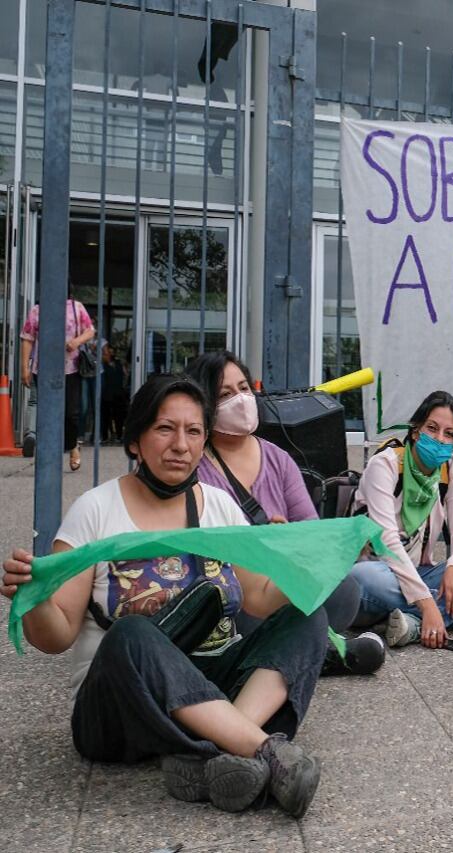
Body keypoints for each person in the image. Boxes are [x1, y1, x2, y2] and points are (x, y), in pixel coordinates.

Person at [0, 374, 327, 816]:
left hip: (210, 686)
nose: (181, 445)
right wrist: (36, 597)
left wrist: (295, 565)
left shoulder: (219, 507)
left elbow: (259, 600)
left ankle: (221, 753)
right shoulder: (95, 510)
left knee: (308, 615)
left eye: (194, 431)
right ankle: (264, 750)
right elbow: (55, 637)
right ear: (135, 441)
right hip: (119, 711)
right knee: (132, 634)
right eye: (165, 429)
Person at [187, 351, 384, 676]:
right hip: (238, 593)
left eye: (244, 388)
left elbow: (310, 531)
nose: (240, 399)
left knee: (345, 590)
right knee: (237, 610)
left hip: (285, 583)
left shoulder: (278, 458)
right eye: (225, 394)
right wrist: (261, 546)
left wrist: (292, 540)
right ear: (205, 404)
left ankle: (296, 650)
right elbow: (200, 553)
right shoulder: (197, 467)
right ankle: (317, 651)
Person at [349, 390, 453, 647]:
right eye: (432, 428)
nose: (439, 439)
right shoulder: (385, 465)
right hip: (376, 580)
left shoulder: (449, 468)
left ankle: (413, 625)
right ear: (415, 430)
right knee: (364, 574)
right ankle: (452, 613)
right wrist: (428, 603)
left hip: (418, 573)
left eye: (448, 434)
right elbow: (386, 542)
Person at [20, 297, 96, 470]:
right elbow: (27, 338)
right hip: (44, 368)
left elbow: (90, 330)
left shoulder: (76, 307)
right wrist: (25, 367)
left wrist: (76, 342)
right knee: (46, 413)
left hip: (71, 368)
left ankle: (72, 446)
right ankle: (46, 454)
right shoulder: (38, 310)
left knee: (71, 413)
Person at [100, 342, 129, 443]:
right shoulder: (101, 366)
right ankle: (105, 436)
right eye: (105, 353)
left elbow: (125, 375)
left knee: (119, 416)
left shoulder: (118, 363)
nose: (106, 354)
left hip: (118, 393)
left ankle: (119, 435)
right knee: (105, 416)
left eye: (107, 352)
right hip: (106, 394)